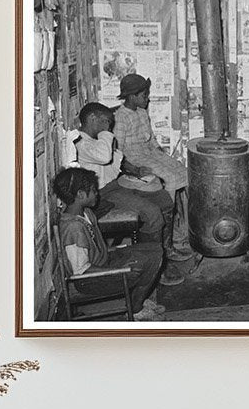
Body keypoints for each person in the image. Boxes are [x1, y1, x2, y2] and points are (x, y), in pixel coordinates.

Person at [72, 101, 198, 286]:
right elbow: (105, 156)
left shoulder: (98, 140)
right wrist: (106, 132)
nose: (109, 126)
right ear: (92, 119)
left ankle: (163, 250)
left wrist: (136, 171)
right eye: (105, 121)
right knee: (152, 213)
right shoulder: (81, 143)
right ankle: (157, 267)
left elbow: (117, 160)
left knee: (164, 200)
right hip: (101, 194)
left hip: (116, 184)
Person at [52, 167, 165, 322]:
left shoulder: (84, 213)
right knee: (148, 262)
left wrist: (119, 250)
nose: (97, 193)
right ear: (80, 195)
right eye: (93, 190)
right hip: (89, 281)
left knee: (156, 250)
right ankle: (135, 308)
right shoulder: (73, 228)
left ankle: (137, 300)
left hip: (103, 262)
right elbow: (80, 271)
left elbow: (96, 249)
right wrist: (118, 270)